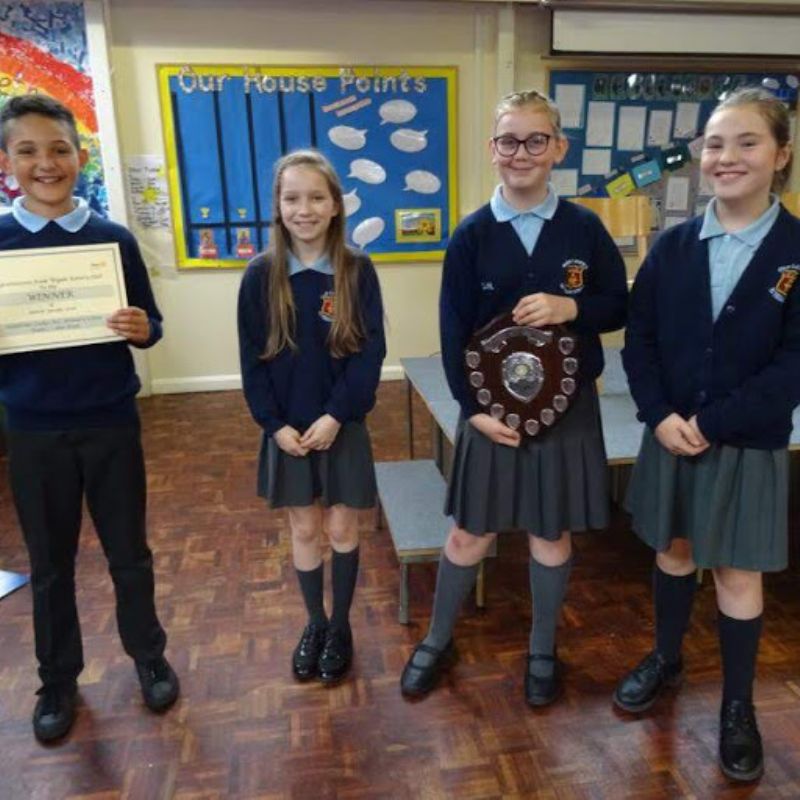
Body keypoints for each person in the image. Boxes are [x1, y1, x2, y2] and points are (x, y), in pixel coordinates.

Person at [400, 89, 628, 705]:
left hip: (566, 409)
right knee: (467, 535)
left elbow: (620, 304)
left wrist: (571, 306)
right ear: (492, 149)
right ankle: (437, 638)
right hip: (491, 412)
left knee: (550, 536)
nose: (520, 152)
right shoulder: (472, 235)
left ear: (558, 148)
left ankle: (543, 648)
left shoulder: (584, 227)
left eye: (535, 140)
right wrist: (472, 411)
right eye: (508, 141)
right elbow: (451, 331)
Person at [616, 87, 798, 783]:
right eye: (715, 144)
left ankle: (737, 706)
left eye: (746, 142)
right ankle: (666, 658)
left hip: (746, 440)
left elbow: (794, 364)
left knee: (736, 571)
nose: (726, 157)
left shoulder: (794, 251)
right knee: (675, 549)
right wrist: (659, 414)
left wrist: (712, 422)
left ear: (780, 155)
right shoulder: (674, 246)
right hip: (669, 434)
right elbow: (641, 338)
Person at [0, 94, 179, 743]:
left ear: (79, 156)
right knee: (49, 563)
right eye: (28, 150)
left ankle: (148, 655)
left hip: (109, 422)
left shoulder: (112, 239)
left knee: (129, 552)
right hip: (33, 429)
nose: (45, 163)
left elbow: (152, 324)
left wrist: (141, 328)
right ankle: (57, 679)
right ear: (7, 160)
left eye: (58, 149)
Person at [238, 149, 386, 685]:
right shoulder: (260, 276)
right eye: (292, 198)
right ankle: (315, 623)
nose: (304, 209)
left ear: (335, 205)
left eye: (316, 197)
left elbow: (369, 356)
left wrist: (336, 416)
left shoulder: (357, 270)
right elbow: (251, 360)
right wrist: (273, 425)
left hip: (339, 426)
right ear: (277, 207)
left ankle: (341, 625)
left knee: (343, 525)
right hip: (287, 431)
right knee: (304, 527)